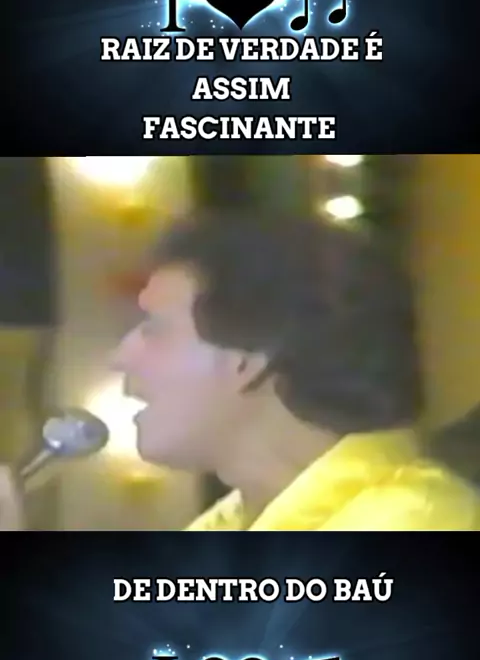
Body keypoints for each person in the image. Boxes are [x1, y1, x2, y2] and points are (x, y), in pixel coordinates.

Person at [2, 211, 480, 531]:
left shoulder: (417, 521)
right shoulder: (223, 527)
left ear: (249, 359)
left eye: (154, 329)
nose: (121, 357)